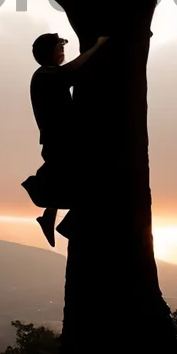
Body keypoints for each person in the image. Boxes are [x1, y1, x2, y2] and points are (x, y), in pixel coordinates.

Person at [21, 31, 109, 246]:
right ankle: (68, 226)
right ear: (48, 52)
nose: (62, 51)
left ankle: (51, 217)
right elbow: (72, 71)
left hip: (62, 141)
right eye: (58, 47)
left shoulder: (47, 75)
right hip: (60, 142)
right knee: (88, 184)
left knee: (67, 181)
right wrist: (97, 46)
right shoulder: (45, 76)